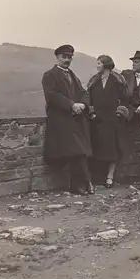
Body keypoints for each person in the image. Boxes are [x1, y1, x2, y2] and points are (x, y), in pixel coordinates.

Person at [41, 44, 94, 195]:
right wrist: (71, 105)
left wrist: (83, 104)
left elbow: (83, 92)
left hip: (75, 120)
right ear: (57, 57)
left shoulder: (73, 76)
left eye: (69, 57)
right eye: (64, 57)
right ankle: (83, 183)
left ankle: (82, 184)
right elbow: (52, 96)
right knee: (75, 151)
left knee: (79, 151)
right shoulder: (49, 75)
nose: (67, 60)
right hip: (60, 121)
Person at [87, 55, 130, 188]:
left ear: (105, 65)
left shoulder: (118, 80)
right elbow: (89, 100)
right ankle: (98, 177)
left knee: (112, 149)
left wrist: (119, 113)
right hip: (98, 121)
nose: (97, 66)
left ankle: (109, 177)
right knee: (98, 148)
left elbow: (125, 99)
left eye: (99, 63)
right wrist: (92, 113)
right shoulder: (94, 81)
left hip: (113, 120)